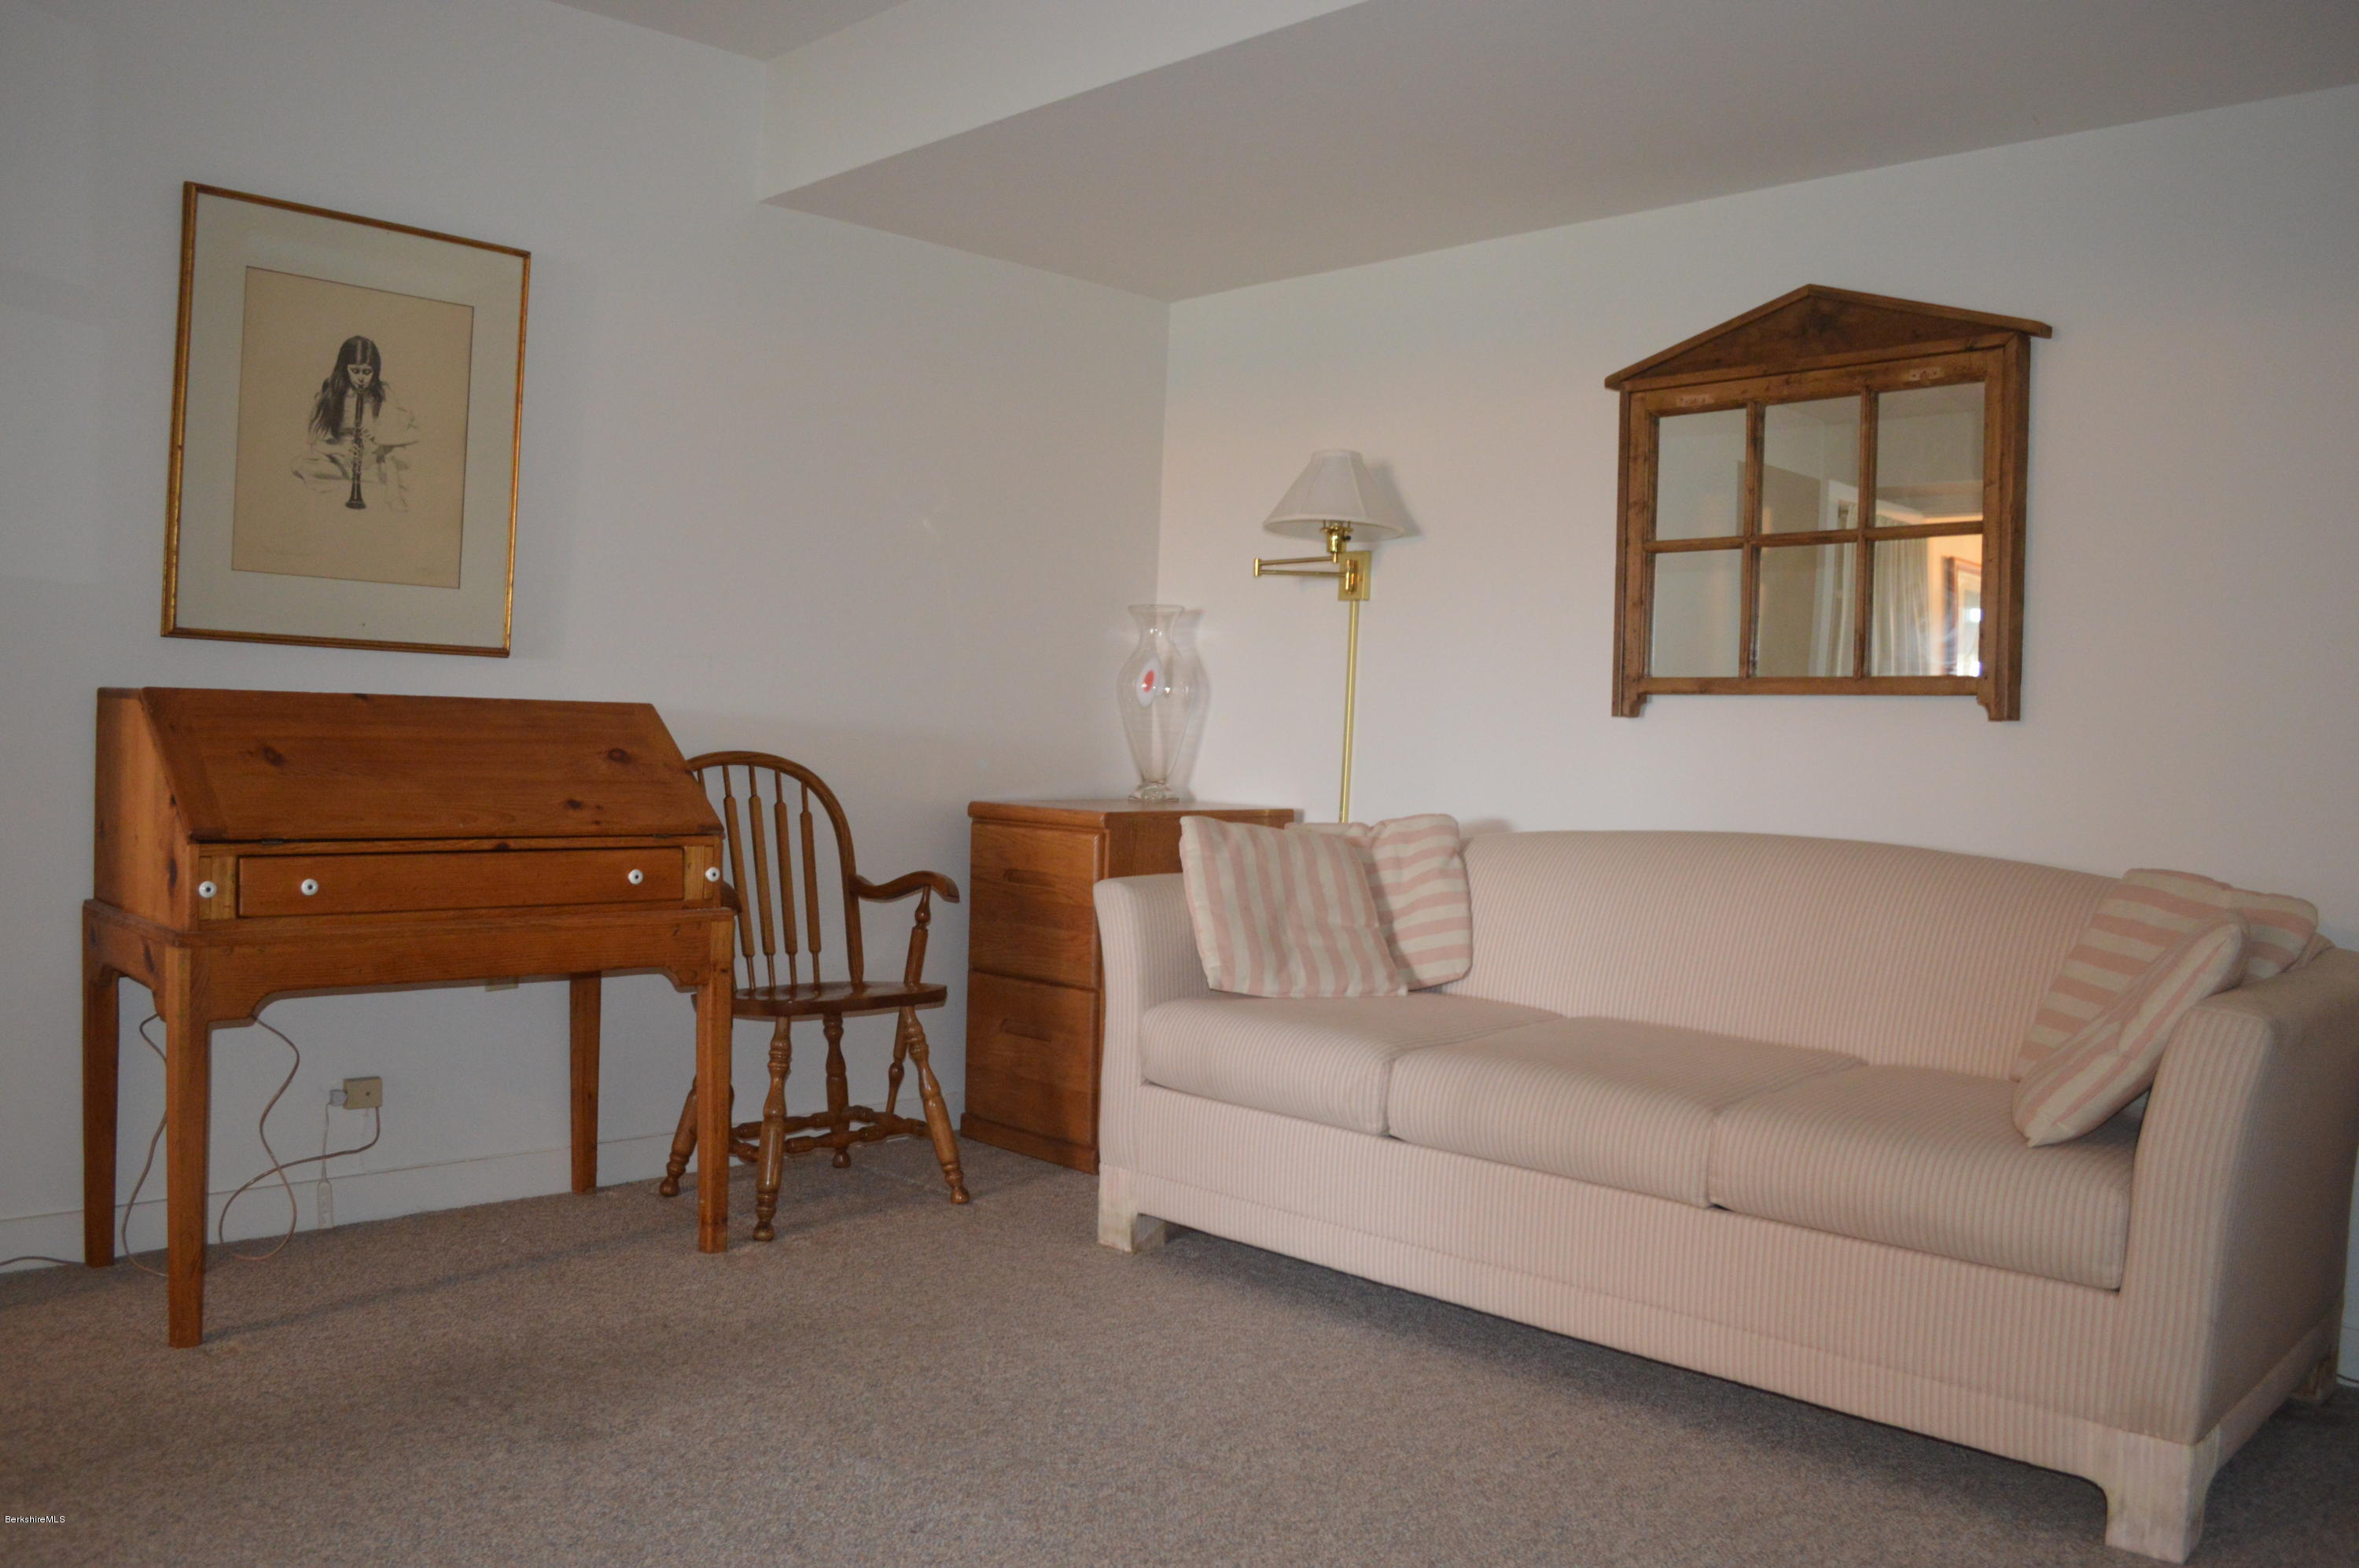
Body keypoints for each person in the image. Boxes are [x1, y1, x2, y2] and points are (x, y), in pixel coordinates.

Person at [292, 335, 421, 511]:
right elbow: (317, 440)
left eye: (367, 372)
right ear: (344, 368)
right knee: (300, 464)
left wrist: (379, 438)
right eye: (355, 370)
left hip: (376, 455)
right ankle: (367, 478)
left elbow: (413, 433)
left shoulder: (382, 392)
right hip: (342, 459)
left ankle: (392, 496)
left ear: (375, 371)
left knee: (398, 457)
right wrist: (342, 452)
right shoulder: (331, 392)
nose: (361, 378)